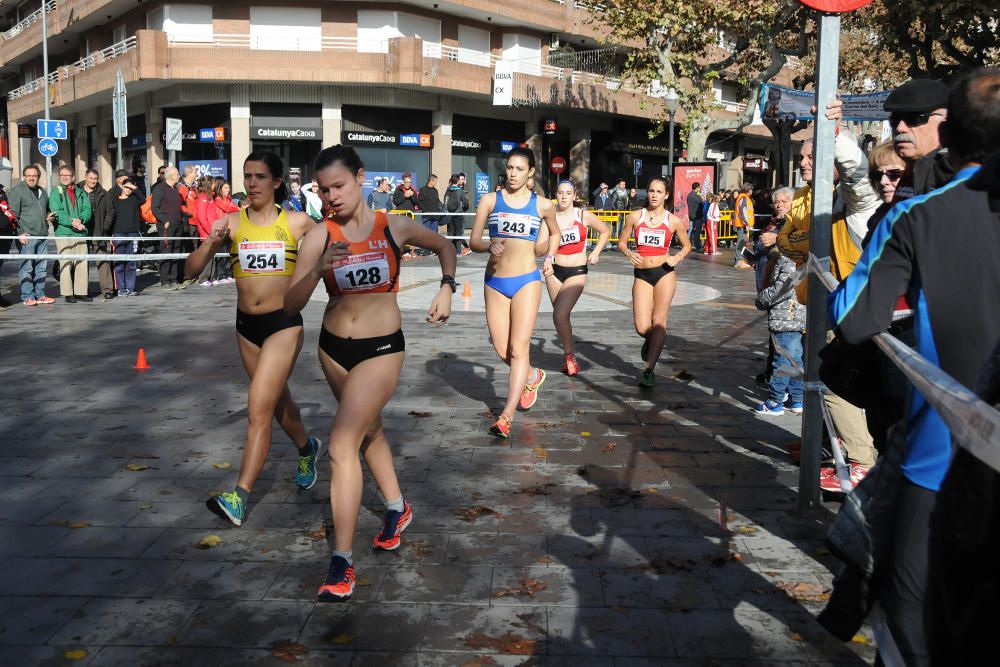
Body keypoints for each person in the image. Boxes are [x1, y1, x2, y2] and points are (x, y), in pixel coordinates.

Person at [829, 68, 1000, 667]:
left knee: (913, 613)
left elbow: (851, 315)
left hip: (944, 455)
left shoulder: (920, 214)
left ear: (951, 131)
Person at [283, 145, 455, 601]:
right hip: (334, 349)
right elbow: (290, 303)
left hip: (381, 348)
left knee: (341, 443)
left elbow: (444, 245)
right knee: (367, 429)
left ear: (360, 178)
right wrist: (317, 268)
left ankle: (342, 563)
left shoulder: (392, 225)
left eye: (338, 186)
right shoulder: (320, 236)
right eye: (323, 190)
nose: (331, 196)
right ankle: (397, 508)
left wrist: (447, 288)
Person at [184, 151, 322, 527]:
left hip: (284, 323)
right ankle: (307, 448)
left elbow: (331, 246)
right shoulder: (230, 222)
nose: (252, 183)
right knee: (276, 403)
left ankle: (240, 495)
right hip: (246, 327)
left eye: (260, 176)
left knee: (257, 408)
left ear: (277, 182)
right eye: (247, 176)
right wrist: (211, 244)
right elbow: (189, 272)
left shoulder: (298, 223)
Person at [778, 101, 882, 491]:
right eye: (803, 156)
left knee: (835, 381)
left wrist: (835, 136)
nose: (805, 163)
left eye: (812, 155)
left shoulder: (855, 200)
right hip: (825, 307)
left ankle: (860, 460)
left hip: (852, 310)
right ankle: (825, 443)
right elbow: (791, 241)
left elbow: (857, 175)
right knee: (818, 378)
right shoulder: (820, 200)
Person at [469, 146, 560, 438]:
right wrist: (487, 245)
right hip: (495, 281)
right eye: (509, 167)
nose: (512, 174)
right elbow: (474, 240)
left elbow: (555, 233)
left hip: (527, 280)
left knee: (519, 348)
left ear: (530, 172)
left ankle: (506, 416)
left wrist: (549, 257)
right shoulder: (489, 200)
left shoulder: (543, 205)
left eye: (519, 169)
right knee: (502, 349)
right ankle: (532, 375)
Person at [617, 177, 692, 387]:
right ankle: (650, 340)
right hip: (642, 274)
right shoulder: (635, 216)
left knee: (659, 320)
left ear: (666, 195)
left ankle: (649, 369)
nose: (654, 195)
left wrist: (676, 257)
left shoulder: (673, 220)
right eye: (651, 191)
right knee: (642, 326)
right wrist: (628, 252)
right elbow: (622, 242)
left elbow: (687, 246)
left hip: (665, 273)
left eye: (659, 191)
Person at [536, 179, 610, 375]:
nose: (563, 197)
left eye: (568, 193)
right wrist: (546, 253)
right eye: (560, 193)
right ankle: (569, 357)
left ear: (574, 196)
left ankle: (569, 356)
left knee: (559, 314)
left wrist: (596, 253)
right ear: (556, 195)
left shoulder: (583, 215)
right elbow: (540, 248)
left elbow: (605, 231)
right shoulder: (549, 220)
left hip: (576, 270)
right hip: (554, 271)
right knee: (561, 318)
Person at [753, 247, 805, 415]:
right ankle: (796, 399)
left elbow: (783, 289)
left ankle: (775, 401)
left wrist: (761, 299)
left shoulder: (789, 260)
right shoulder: (798, 258)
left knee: (782, 359)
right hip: (794, 317)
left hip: (786, 317)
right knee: (794, 358)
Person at [883, 78, 955, 198]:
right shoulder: (911, 174)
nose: (900, 127)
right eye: (895, 120)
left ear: (946, 121)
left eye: (914, 118)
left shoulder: (954, 175)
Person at [7, 165, 56, 306]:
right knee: (27, 267)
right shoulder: (18, 191)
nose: (31, 178)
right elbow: (12, 215)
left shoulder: (42, 192)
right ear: (24, 176)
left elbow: (46, 210)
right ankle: (27, 296)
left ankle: (40, 295)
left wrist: (49, 217)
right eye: (28, 175)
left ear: (38, 177)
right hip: (27, 236)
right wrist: (19, 232)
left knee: (41, 267)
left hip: (42, 235)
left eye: (34, 175)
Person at [49, 165, 93, 303]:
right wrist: (72, 222)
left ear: (73, 176)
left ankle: (81, 292)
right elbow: (57, 212)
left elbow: (87, 209)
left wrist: (81, 220)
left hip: (80, 233)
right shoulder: (56, 192)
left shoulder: (80, 192)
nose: (64, 177)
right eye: (62, 175)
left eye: (67, 175)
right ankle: (68, 293)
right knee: (66, 263)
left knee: (81, 262)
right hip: (64, 233)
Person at [103, 171, 144, 297]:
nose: (129, 190)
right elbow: (110, 217)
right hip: (119, 234)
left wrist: (134, 188)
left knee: (131, 263)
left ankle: (130, 287)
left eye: (130, 188)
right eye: (126, 187)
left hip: (132, 234)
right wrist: (109, 235)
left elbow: (143, 198)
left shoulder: (134, 200)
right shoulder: (115, 200)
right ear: (121, 187)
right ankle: (121, 288)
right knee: (119, 263)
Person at [80, 169, 114, 300]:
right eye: (91, 178)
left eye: (95, 178)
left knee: (103, 260)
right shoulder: (78, 191)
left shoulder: (103, 193)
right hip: (81, 232)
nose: (93, 181)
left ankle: (107, 289)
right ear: (85, 177)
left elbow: (110, 211)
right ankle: (83, 290)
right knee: (81, 262)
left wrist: (105, 227)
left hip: (98, 231)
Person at [152, 167, 185, 288]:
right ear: (170, 175)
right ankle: (165, 280)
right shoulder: (159, 189)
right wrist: (164, 221)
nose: (179, 176)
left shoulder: (175, 189)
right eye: (177, 174)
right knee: (166, 250)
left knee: (176, 251)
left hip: (177, 224)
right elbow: (154, 208)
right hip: (166, 226)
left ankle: (174, 279)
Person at [195, 176, 223, 286]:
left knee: (213, 254)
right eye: (213, 183)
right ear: (208, 184)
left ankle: (211, 276)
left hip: (213, 230)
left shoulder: (210, 197)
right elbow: (202, 218)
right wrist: (210, 231)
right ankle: (203, 278)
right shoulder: (202, 197)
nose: (215, 185)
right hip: (207, 231)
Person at [444, 174, 471, 255]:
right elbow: (465, 203)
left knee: (450, 233)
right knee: (458, 233)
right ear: (457, 181)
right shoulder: (459, 190)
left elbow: (445, 201)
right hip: (459, 214)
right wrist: (464, 209)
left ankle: (449, 251)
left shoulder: (448, 190)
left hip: (449, 214)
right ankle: (458, 252)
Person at [732, 183, 753, 268]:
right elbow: (743, 211)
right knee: (741, 241)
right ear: (748, 189)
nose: (752, 191)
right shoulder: (743, 198)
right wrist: (746, 223)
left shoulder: (742, 197)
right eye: (751, 189)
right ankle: (738, 260)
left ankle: (739, 260)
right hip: (742, 224)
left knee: (742, 241)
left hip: (741, 223)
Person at [686, 182, 705, 252]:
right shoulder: (697, 196)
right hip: (697, 216)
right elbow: (702, 204)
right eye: (699, 187)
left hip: (691, 215)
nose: (700, 189)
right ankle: (698, 247)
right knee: (697, 232)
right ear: (696, 188)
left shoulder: (689, 195)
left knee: (690, 230)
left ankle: (687, 246)